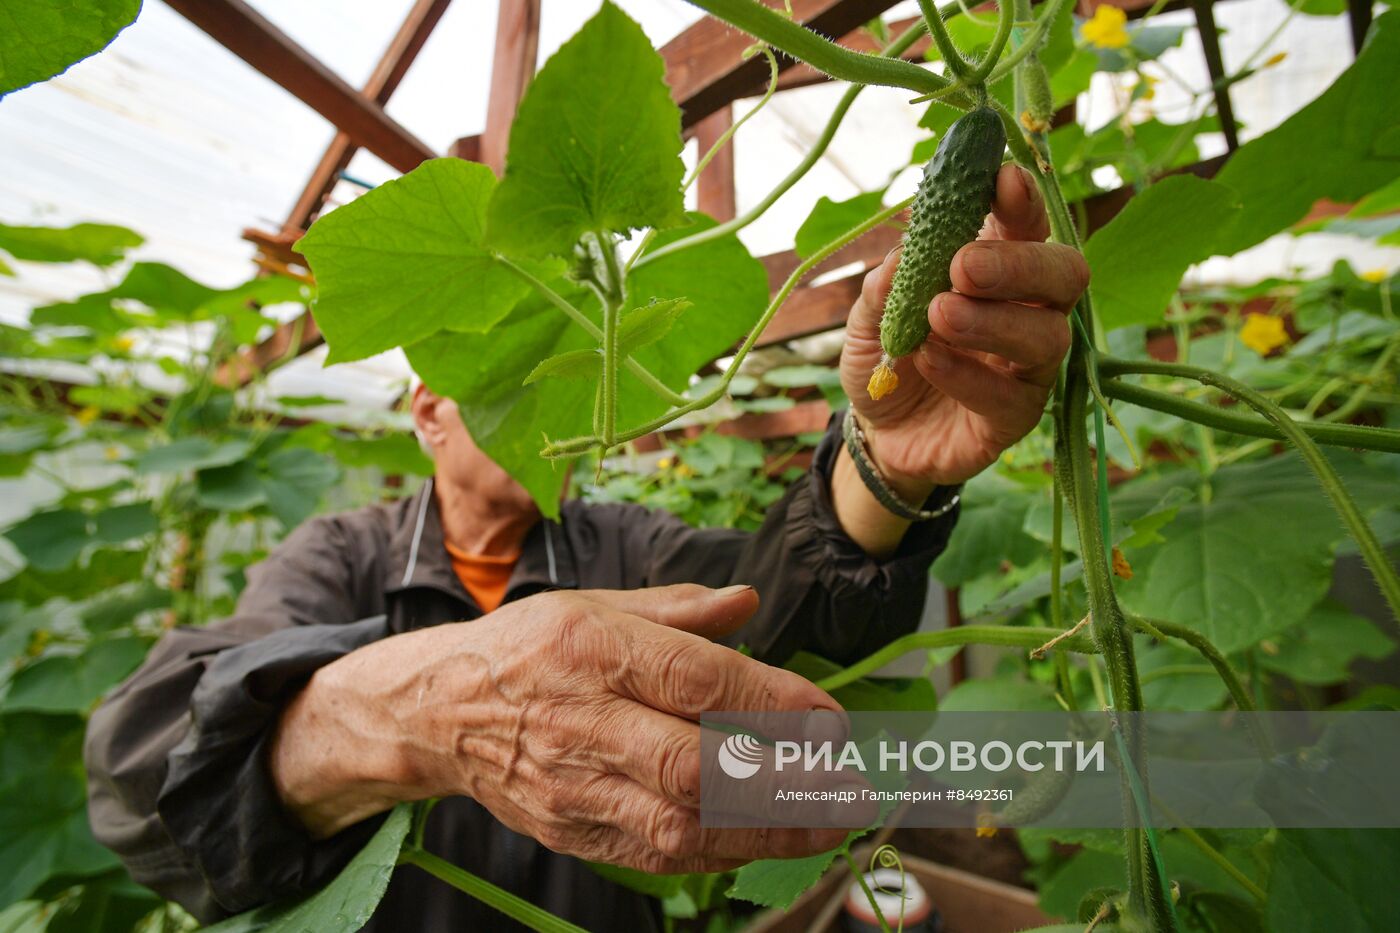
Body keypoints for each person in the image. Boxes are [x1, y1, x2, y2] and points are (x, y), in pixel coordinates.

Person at [84, 165, 1088, 931]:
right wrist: (429, 713)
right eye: (516, 386)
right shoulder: (344, 555)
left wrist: (886, 461)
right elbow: (147, 777)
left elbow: (773, 605)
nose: (554, 400)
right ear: (430, 412)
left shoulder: (616, 540)